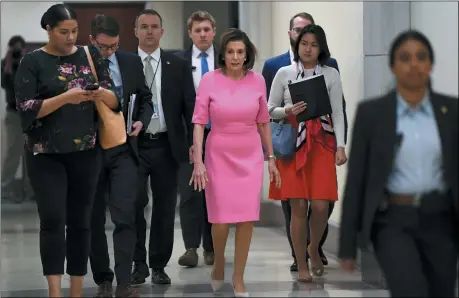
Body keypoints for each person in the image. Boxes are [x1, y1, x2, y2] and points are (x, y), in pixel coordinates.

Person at [339, 30, 458, 297]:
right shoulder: (373, 114)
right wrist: (347, 244)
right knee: (409, 289)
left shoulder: (451, 111)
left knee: (442, 291)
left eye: (421, 57)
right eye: (405, 58)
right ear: (393, 66)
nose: (413, 64)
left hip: (441, 219)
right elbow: (357, 180)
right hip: (393, 221)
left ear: (430, 64)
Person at [14, 4, 120, 297]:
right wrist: (65, 98)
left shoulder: (90, 55)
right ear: (48, 30)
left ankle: (76, 289)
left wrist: (102, 93)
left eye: (74, 31)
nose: (71, 37)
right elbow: (25, 110)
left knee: (80, 221)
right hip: (44, 154)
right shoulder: (32, 62)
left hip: (86, 151)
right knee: (52, 219)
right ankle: (54, 291)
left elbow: (114, 100)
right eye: (64, 32)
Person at [190, 28, 281, 297]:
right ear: (223, 54)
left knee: (246, 218)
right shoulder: (209, 80)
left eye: (240, 52)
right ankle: (218, 263)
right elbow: (198, 122)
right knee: (219, 220)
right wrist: (198, 159)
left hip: (249, 154)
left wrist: (271, 158)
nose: (235, 56)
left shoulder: (257, 82)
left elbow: (264, 122)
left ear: (247, 55)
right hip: (218, 152)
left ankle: (238, 277)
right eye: (230, 52)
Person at [261, 12, 347, 271]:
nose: (308, 49)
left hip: (321, 143)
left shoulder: (330, 73)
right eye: (304, 44)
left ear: (321, 48)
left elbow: (338, 112)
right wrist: (286, 112)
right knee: (297, 205)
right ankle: (301, 262)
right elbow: (267, 109)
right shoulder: (283, 72)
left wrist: (341, 145)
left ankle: (313, 246)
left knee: (321, 205)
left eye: (314, 44)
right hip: (292, 144)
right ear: (296, 46)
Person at [87, 14, 153, 298]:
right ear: (92, 40)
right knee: (93, 219)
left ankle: (124, 281)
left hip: (124, 149)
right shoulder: (80, 63)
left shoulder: (129, 62)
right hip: (89, 152)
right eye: (103, 46)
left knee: (126, 215)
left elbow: (145, 97)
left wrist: (141, 120)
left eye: (113, 46)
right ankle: (103, 278)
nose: (109, 52)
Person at [131, 9, 195, 285]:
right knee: (133, 205)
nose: (149, 31)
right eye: (143, 27)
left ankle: (158, 264)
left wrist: (193, 143)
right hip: (133, 146)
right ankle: (137, 264)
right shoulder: (126, 63)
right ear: (135, 31)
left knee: (165, 207)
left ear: (162, 31)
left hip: (167, 145)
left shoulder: (176, 64)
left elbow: (189, 107)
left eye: (154, 26)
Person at [174, 10, 218, 268]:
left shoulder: (225, 61)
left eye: (206, 29)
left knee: (215, 192)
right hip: (189, 137)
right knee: (189, 192)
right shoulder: (178, 62)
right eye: (197, 30)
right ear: (190, 33)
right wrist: (187, 139)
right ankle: (191, 247)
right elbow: (175, 102)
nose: (202, 34)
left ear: (213, 31)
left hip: (219, 136)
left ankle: (212, 246)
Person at [1, 35, 31, 202]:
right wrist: (10, 65)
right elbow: (6, 85)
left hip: (30, 113)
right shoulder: (4, 65)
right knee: (13, 151)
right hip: (14, 113)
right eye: (15, 48)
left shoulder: (30, 63)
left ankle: (31, 189)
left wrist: (22, 64)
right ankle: (5, 187)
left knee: (31, 152)